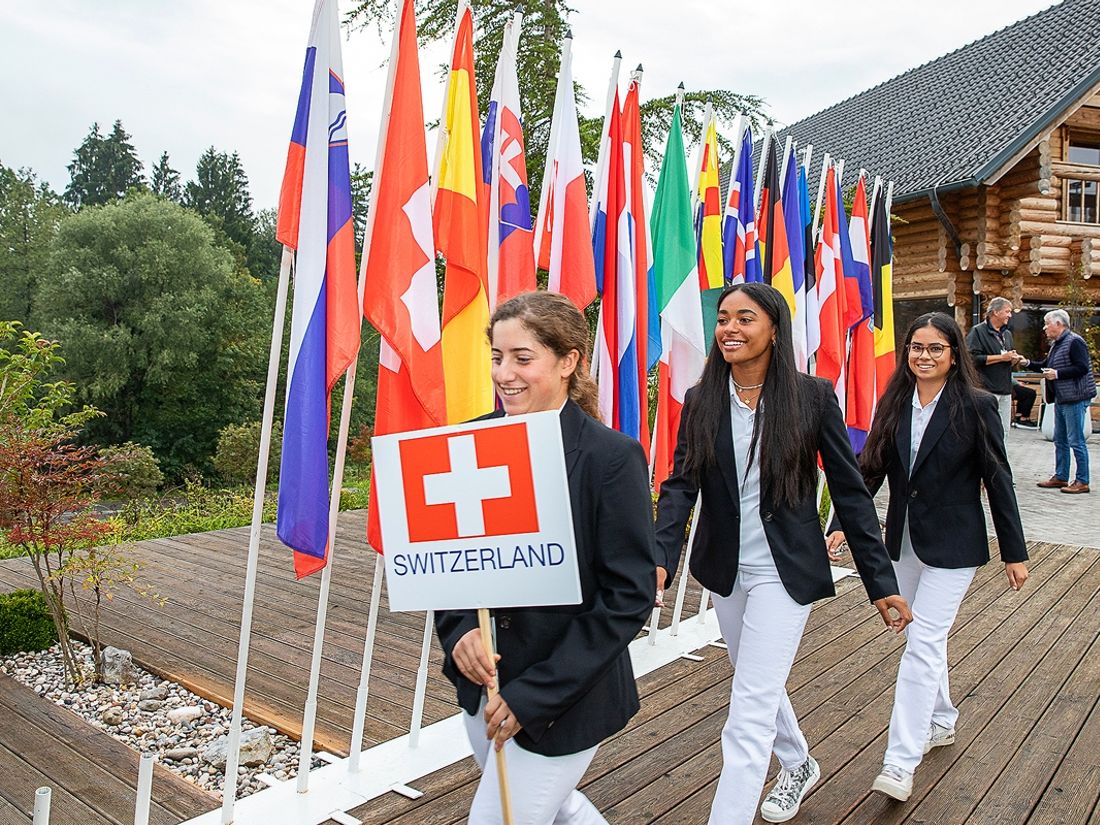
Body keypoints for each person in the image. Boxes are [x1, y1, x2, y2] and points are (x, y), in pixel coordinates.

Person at [654, 282, 912, 825]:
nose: (730, 328)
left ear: (774, 329)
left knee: (748, 710)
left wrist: (881, 583)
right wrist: (660, 558)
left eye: (745, 318)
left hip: (784, 570)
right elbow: (680, 485)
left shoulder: (812, 397)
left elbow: (850, 494)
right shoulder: (701, 399)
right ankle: (798, 762)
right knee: (757, 681)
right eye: (723, 318)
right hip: (725, 570)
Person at [434, 291, 655, 824]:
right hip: (483, 688)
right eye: (497, 357)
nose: (504, 373)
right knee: (561, 811)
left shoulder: (610, 458)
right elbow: (444, 564)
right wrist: (460, 629)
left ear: (568, 361)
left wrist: (536, 695)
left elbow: (628, 596)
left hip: (567, 701)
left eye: (522, 358)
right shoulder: (467, 442)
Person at [827, 312, 1029, 803]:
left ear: (953, 354)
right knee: (921, 639)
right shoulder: (894, 401)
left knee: (923, 642)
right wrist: (840, 523)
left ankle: (900, 763)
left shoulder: (977, 405)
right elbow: (870, 467)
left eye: (936, 348)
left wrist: (1014, 552)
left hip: (954, 545)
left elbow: (998, 478)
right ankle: (941, 717)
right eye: (917, 347)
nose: (924, 356)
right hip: (903, 541)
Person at [1021, 309, 1095, 494]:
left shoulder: (1075, 342)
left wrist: (1057, 374)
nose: (1045, 328)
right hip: (1062, 397)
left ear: (1059, 324)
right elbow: (1046, 365)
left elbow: (1082, 368)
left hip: (1075, 397)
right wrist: (1026, 363)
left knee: (1076, 440)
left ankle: (1082, 480)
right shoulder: (1057, 344)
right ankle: (1061, 476)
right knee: (1060, 439)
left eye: (1047, 324)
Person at [965, 296, 1023, 441]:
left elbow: (1006, 359)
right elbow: (972, 359)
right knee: (986, 430)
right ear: (996, 312)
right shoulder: (977, 332)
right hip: (986, 390)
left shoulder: (1007, 334)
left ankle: (1002, 455)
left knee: (1004, 431)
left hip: (1005, 390)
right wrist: (1001, 358)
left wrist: (1013, 359)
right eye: (1007, 311)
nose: (1010, 315)